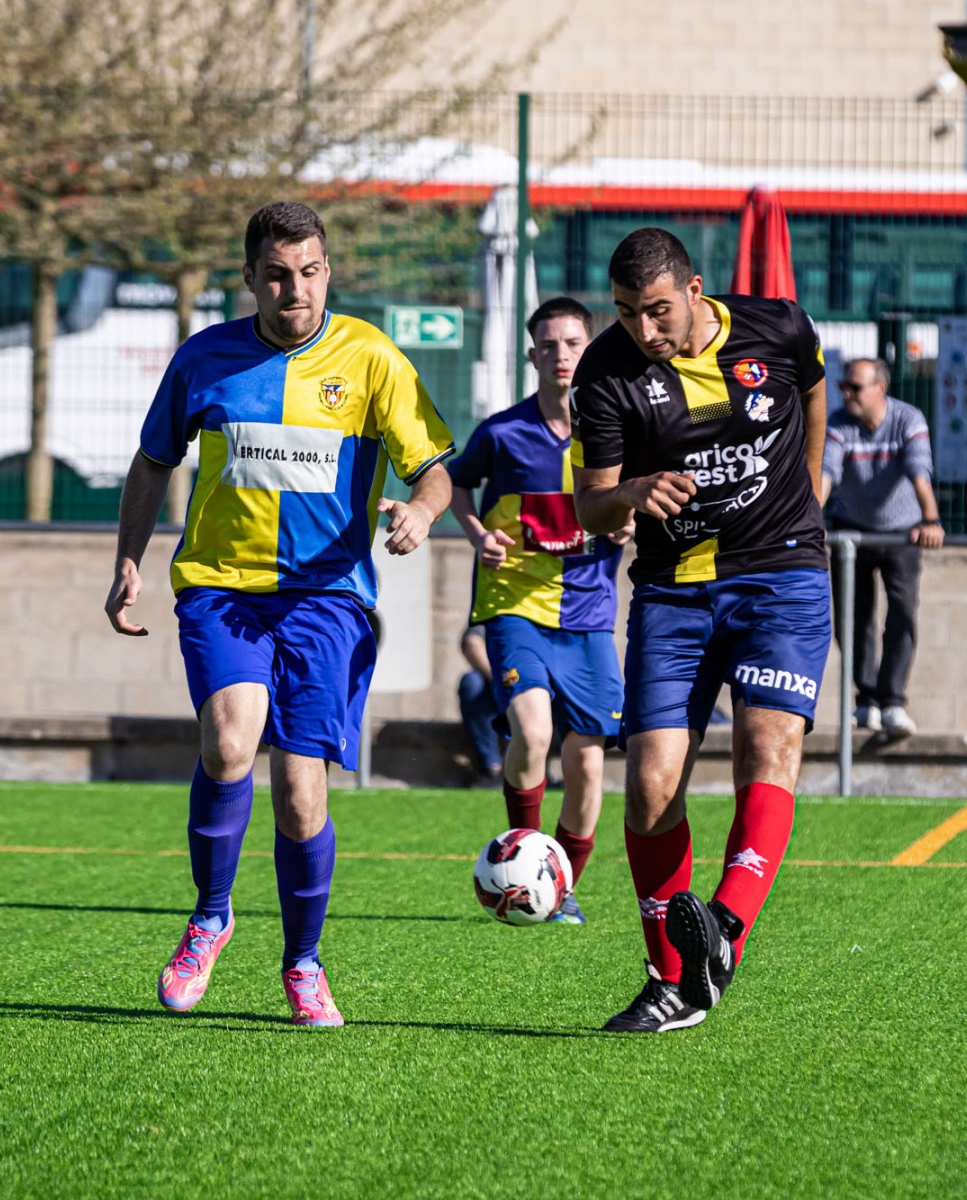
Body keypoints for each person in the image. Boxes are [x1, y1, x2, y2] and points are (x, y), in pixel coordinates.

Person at [105, 200, 454, 1028]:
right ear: (250, 278)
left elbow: (436, 467)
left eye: (309, 271)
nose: (295, 289)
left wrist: (423, 510)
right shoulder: (205, 358)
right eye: (276, 275)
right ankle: (210, 918)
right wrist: (127, 559)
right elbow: (153, 460)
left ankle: (303, 962)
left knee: (301, 795)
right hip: (222, 587)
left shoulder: (371, 358)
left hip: (326, 599)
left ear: (328, 271)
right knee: (229, 741)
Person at [570, 227, 830, 1032]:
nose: (643, 329)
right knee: (651, 785)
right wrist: (630, 494)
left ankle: (724, 927)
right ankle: (673, 979)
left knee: (767, 745)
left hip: (782, 576)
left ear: (694, 289)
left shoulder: (777, 327)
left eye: (656, 310)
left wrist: (812, 488)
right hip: (673, 593)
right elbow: (590, 504)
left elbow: (812, 391)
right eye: (625, 312)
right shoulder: (605, 374)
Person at [447, 296, 628, 926]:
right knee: (532, 732)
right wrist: (478, 534)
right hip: (515, 605)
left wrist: (630, 518)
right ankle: (519, 860)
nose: (561, 355)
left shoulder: (616, 431)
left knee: (587, 763)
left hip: (589, 615)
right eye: (548, 345)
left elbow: (644, 495)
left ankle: (561, 886)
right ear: (532, 355)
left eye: (573, 343)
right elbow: (455, 481)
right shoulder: (502, 433)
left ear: (590, 348)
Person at [819, 357, 943, 740]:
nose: (847, 394)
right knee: (853, 619)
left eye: (855, 387)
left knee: (902, 613)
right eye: (844, 386)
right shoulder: (839, 424)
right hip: (852, 529)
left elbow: (919, 472)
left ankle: (892, 701)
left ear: (880, 388)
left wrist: (931, 519)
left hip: (901, 532)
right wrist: (809, 520)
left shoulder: (908, 420)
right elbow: (827, 473)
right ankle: (867, 699)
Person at [457, 626, 505, 787]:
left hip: (531, 682)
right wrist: (499, 680)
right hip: (501, 681)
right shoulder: (494, 615)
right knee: (472, 682)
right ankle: (491, 769)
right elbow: (472, 641)